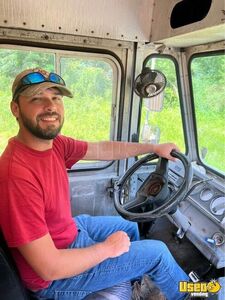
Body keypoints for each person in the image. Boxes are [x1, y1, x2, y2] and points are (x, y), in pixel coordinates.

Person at [0, 68, 189, 300]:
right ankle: (193, 296)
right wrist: (107, 249)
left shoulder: (54, 144)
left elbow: (102, 148)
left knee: (128, 227)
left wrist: (152, 148)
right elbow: (48, 268)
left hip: (67, 231)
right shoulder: (16, 175)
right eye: (36, 99)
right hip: (54, 281)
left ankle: (134, 285)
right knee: (158, 253)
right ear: (15, 109)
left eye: (55, 98)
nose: (50, 106)